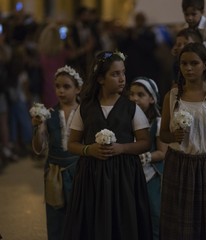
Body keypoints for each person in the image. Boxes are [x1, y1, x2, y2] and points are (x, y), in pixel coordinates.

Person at [63, 51, 152, 240]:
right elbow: (72, 144)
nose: (122, 79)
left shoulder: (131, 108)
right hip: (91, 176)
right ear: (101, 79)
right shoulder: (85, 108)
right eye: (115, 74)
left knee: (123, 223)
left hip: (124, 177)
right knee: (93, 224)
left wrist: (122, 148)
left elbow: (145, 142)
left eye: (123, 73)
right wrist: (89, 149)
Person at [159, 42, 206, 240]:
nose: (188, 68)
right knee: (178, 226)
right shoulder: (172, 96)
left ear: (205, 65)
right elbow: (163, 134)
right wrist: (173, 136)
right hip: (179, 164)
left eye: (194, 63)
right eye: (184, 64)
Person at [31, 65, 83, 240]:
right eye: (57, 86)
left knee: (79, 217)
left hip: (80, 171)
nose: (60, 91)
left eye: (66, 86)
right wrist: (40, 128)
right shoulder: (49, 114)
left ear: (78, 88)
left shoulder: (85, 113)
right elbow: (39, 148)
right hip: (54, 171)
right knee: (56, 217)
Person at [129, 77, 167, 240]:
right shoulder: (126, 121)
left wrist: (144, 157)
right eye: (131, 94)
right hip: (129, 176)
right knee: (132, 215)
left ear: (152, 99)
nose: (134, 98)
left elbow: (162, 152)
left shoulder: (157, 123)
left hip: (151, 176)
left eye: (140, 94)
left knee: (153, 214)